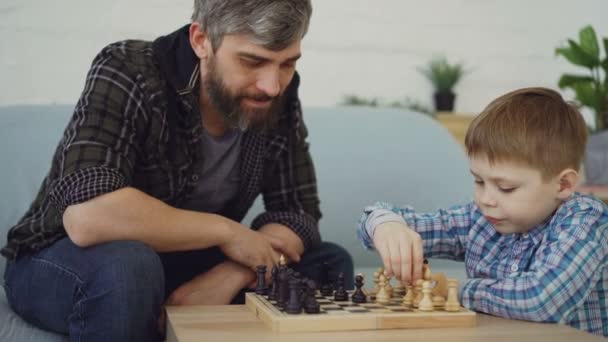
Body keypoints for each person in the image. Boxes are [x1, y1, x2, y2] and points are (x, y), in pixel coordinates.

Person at [1, 1, 353, 341]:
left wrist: (236, 271)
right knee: (128, 267)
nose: (272, 85)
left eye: (287, 64)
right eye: (252, 61)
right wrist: (228, 233)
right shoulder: (129, 69)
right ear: (201, 40)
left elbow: (297, 213)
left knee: (328, 262)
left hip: (187, 262)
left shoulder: (277, 94)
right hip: (65, 261)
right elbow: (89, 216)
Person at [357, 87, 607, 336]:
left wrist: (454, 290)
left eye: (505, 188)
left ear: (562, 184)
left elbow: (542, 301)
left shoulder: (584, 220)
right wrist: (386, 226)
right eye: (478, 181)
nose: (485, 199)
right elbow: (376, 220)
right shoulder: (482, 218)